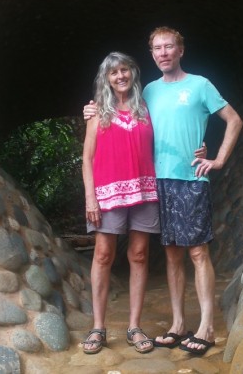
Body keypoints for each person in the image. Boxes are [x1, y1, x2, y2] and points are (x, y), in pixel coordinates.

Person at [84, 27, 243, 356]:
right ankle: (176, 325)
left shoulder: (196, 86)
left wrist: (217, 159)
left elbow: (233, 119)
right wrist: (89, 109)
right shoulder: (148, 94)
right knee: (170, 255)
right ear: (152, 54)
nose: (164, 52)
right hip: (155, 184)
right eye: (157, 48)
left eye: (169, 46)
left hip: (185, 180)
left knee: (195, 253)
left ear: (180, 50)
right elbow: (102, 132)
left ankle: (205, 327)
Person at [81, 52, 158, 355]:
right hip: (107, 194)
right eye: (114, 73)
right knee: (103, 255)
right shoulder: (97, 111)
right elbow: (87, 158)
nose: (120, 76)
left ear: (132, 73)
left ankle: (134, 326)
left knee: (138, 255)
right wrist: (91, 197)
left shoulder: (146, 107)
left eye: (125, 70)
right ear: (107, 79)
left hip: (144, 190)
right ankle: (98, 327)